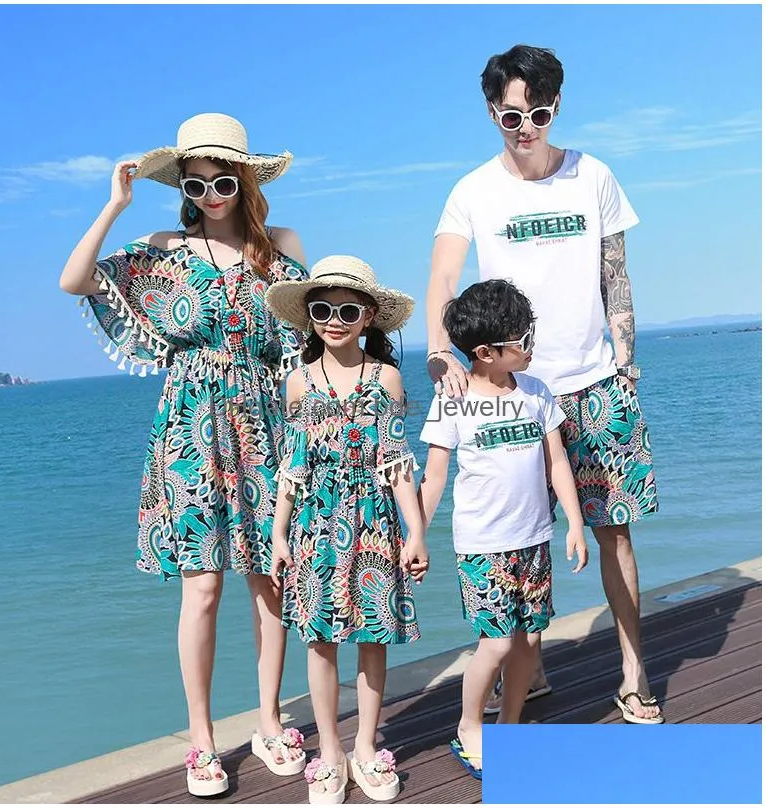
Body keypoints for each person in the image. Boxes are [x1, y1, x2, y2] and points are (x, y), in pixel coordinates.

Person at [59, 113, 310, 796]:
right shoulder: (166, 248)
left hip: (266, 427)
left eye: (224, 180)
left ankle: (268, 718)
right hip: (191, 430)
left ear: (247, 180)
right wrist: (116, 205)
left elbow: (304, 350)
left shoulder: (278, 248)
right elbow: (75, 280)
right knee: (202, 588)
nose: (211, 194)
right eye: (196, 183)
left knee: (272, 581)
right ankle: (201, 741)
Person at [426, 44, 663, 725]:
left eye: (538, 112)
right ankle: (527, 671)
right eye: (510, 115)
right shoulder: (473, 190)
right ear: (491, 113)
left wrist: (625, 358)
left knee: (614, 531)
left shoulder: (594, 176)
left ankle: (632, 670)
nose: (526, 126)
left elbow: (615, 273)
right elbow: (444, 277)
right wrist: (444, 357)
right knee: (517, 539)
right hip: (514, 391)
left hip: (595, 384)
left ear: (557, 107)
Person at [266, 256, 429, 804]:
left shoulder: (386, 378)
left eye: (347, 309)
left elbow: (398, 461)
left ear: (369, 316)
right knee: (319, 639)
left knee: (373, 637)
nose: (334, 319)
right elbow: (292, 466)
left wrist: (417, 532)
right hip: (315, 523)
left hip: (374, 523)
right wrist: (280, 534)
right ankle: (330, 753)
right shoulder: (295, 383)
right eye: (322, 309)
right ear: (308, 316)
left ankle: (364, 748)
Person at [419, 278, 588, 778]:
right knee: (494, 643)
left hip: (534, 537)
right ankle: (470, 725)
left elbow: (557, 463)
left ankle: (511, 726)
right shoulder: (454, 399)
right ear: (487, 352)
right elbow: (434, 476)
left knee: (529, 642)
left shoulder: (537, 392)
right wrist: (416, 535)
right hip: (482, 545)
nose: (532, 345)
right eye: (523, 340)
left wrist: (574, 523)